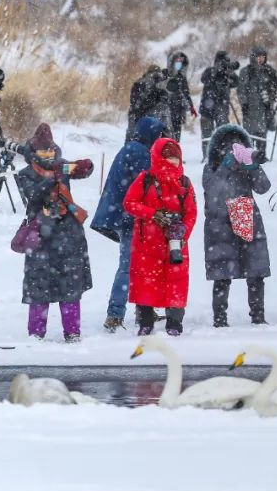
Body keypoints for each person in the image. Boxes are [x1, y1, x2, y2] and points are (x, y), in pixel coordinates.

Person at [14, 123, 95, 343]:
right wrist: (52, 178)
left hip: (68, 234)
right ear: (34, 152)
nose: (47, 154)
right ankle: (36, 334)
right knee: (39, 288)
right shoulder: (25, 174)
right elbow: (33, 197)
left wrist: (85, 165)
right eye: (43, 151)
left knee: (70, 286)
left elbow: (83, 171)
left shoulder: (62, 166)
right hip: (41, 235)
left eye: (50, 150)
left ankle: (73, 332)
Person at [91, 116, 167, 332]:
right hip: (130, 218)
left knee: (136, 265)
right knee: (129, 266)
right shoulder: (140, 153)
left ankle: (141, 310)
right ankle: (115, 315)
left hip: (126, 216)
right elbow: (148, 186)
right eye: (159, 134)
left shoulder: (132, 148)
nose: (160, 138)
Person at [123, 138, 198, 336]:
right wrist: (153, 214)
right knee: (146, 283)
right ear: (158, 157)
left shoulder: (185, 182)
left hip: (175, 242)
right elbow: (129, 203)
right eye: (168, 157)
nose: (173, 162)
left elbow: (191, 212)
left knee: (176, 282)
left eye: (176, 158)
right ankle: (145, 322)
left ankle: (174, 323)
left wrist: (183, 233)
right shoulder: (145, 179)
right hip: (147, 242)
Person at [202, 124, 271, 327]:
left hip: (246, 215)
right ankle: (220, 319)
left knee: (256, 272)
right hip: (220, 223)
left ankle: (258, 316)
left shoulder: (247, 165)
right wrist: (226, 165)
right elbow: (213, 193)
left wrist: (253, 166)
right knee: (222, 274)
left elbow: (263, 187)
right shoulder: (211, 167)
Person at [237, 46, 277, 160]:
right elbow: (241, 90)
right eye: (258, 57)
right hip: (250, 108)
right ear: (253, 57)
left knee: (262, 133)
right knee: (250, 133)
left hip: (264, 107)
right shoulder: (246, 71)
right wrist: (244, 104)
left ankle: (261, 155)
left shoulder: (268, 70)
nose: (261, 59)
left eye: (263, 57)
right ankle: (249, 156)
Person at [199, 51, 240, 155]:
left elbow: (236, 82)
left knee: (223, 131)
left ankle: (222, 153)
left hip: (222, 105)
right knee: (207, 133)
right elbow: (204, 79)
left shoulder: (227, 73)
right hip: (207, 106)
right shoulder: (210, 71)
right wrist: (216, 70)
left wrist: (230, 72)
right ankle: (207, 155)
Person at [127, 65, 172, 140]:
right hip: (148, 119)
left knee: (132, 140)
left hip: (137, 118)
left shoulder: (138, 83)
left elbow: (134, 103)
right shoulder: (142, 84)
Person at [165, 51, 196, 142]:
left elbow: (186, 93)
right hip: (167, 108)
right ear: (173, 62)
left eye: (181, 62)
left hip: (178, 109)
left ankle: (175, 149)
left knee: (177, 133)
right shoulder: (166, 74)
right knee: (167, 132)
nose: (179, 63)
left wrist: (191, 107)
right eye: (177, 61)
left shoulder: (182, 77)